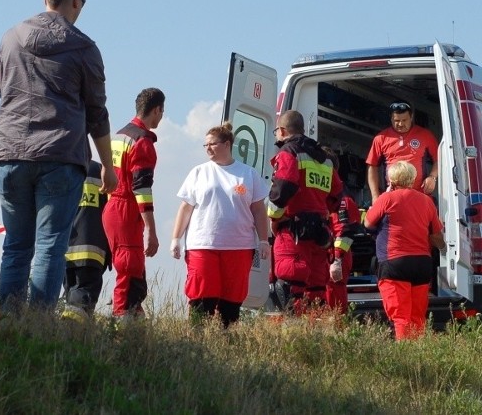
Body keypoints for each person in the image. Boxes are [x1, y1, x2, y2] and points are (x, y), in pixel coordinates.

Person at [0, 0, 117, 313]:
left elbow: (1, 88)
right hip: (61, 155)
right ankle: (38, 327)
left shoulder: (11, 37)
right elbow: (97, 113)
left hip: (10, 152)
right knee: (49, 244)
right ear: (75, 0)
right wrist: (107, 166)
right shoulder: (84, 47)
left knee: (16, 244)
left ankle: (8, 320)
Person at [170, 122, 270, 327]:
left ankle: (227, 335)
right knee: (202, 293)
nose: (207, 148)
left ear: (227, 144)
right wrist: (175, 239)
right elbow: (185, 208)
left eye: (212, 144)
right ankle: (198, 335)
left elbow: (259, 210)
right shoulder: (199, 172)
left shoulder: (247, 174)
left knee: (232, 296)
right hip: (203, 244)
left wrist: (263, 240)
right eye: (205, 145)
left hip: (239, 246)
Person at [267, 110, 343, 315]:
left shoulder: (289, 152)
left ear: (282, 131)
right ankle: (314, 335)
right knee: (316, 287)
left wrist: (274, 216)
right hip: (319, 232)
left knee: (290, 284)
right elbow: (337, 195)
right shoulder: (325, 159)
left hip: (294, 231)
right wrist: (321, 210)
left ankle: (293, 337)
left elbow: (284, 186)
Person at [364, 161, 445, 340]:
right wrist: (444, 249)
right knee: (417, 317)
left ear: (391, 180)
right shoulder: (427, 201)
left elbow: (368, 223)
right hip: (422, 264)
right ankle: (417, 359)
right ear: (413, 178)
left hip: (394, 263)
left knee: (401, 317)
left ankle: (406, 361)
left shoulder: (386, 199)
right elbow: (437, 236)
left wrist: (385, 195)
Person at [103, 87, 165, 318]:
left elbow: (106, 174)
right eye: (162, 111)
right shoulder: (142, 142)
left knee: (131, 270)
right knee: (130, 269)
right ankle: (122, 324)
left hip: (112, 207)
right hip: (127, 208)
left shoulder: (119, 136)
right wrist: (151, 229)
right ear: (156, 110)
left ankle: (134, 318)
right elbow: (142, 188)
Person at [62, 161, 110, 321]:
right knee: (81, 302)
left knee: (71, 297)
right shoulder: (99, 171)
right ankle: (72, 336)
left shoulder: (59, 167)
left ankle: (65, 337)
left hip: (64, 251)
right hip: (92, 250)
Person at [366, 101, 438, 202]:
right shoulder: (381, 138)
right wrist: (375, 195)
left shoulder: (425, 135)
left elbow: (439, 159)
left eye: (404, 120)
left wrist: (432, 177)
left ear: (411, 117)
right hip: (392, 195)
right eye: (396, 120)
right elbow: (372, 166)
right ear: (391, 118)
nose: (400, 124)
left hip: (419, 195)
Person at [325, 192, 362, 314]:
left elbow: (346, 232)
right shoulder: (318, 199)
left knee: (334, 293)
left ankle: (337, 326)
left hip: (336, 256)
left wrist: (337, 258)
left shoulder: (343, 202)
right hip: (322, 254)